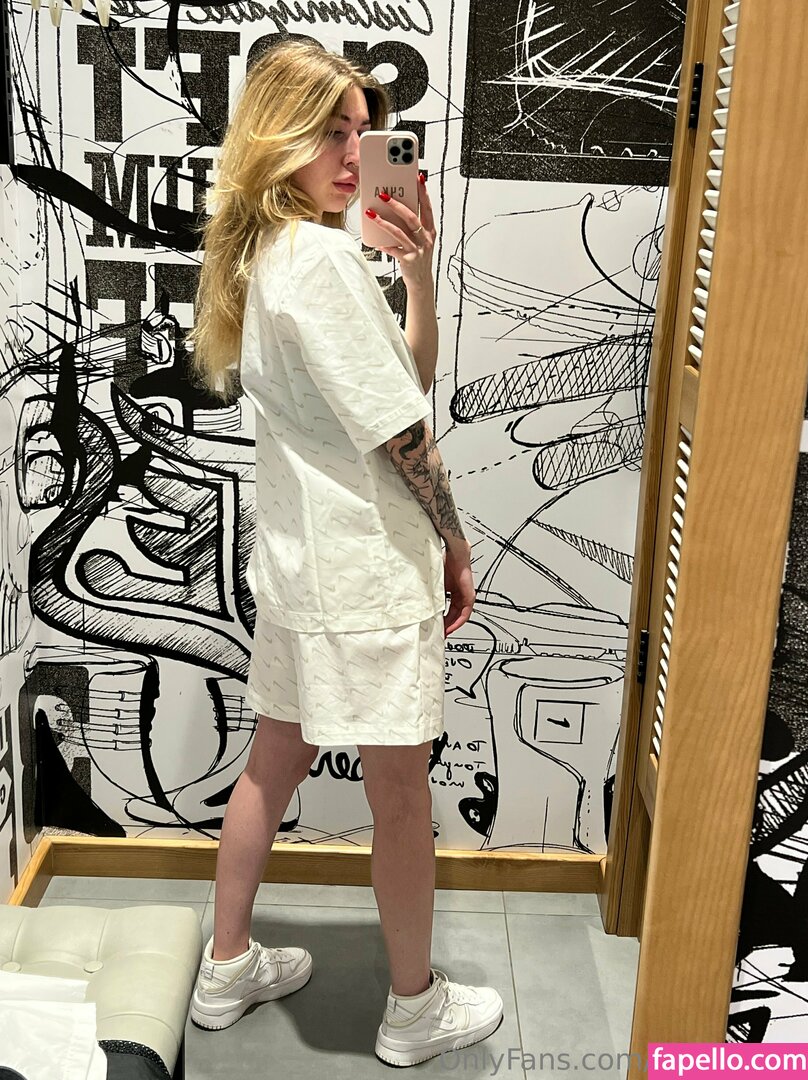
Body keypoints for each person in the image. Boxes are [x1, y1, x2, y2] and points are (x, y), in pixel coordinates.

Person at [185, 39, 504, 1067]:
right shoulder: (319, 260)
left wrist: (417, 275)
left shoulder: (270, 253)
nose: (354, 153)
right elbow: (405, 433)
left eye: (362, 133)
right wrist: (455, 541)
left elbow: (398, 387)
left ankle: (227, 967)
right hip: (361, 575)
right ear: (278, 135)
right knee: (399, 797)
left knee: (271, 763)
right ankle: (413, 1009)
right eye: (331, 131)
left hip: (301, 569)